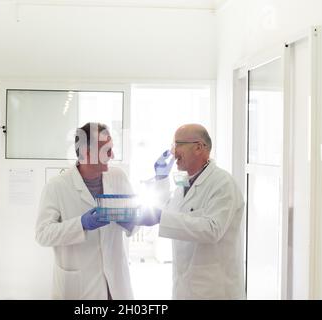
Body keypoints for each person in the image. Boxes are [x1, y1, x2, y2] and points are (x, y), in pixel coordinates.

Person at [137, 124, 245, 300]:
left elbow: (212, 230)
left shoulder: (223, 183)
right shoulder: (185, 183)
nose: (173, 152)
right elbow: (171, 211)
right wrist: (161, 179)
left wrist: (160, 217)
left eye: (178, 144)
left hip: (215, 290)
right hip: (185, 288)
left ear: (199, 147)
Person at [35, 122, 136, 300]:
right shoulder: (57, 186)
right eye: (107, 150)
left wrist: (131, 222)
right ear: (87, 153)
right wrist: (80, 224)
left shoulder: (118, 177)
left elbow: (135, 218)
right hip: (79, 285)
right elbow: (43, 234)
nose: (112, 155)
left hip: (115, 283)